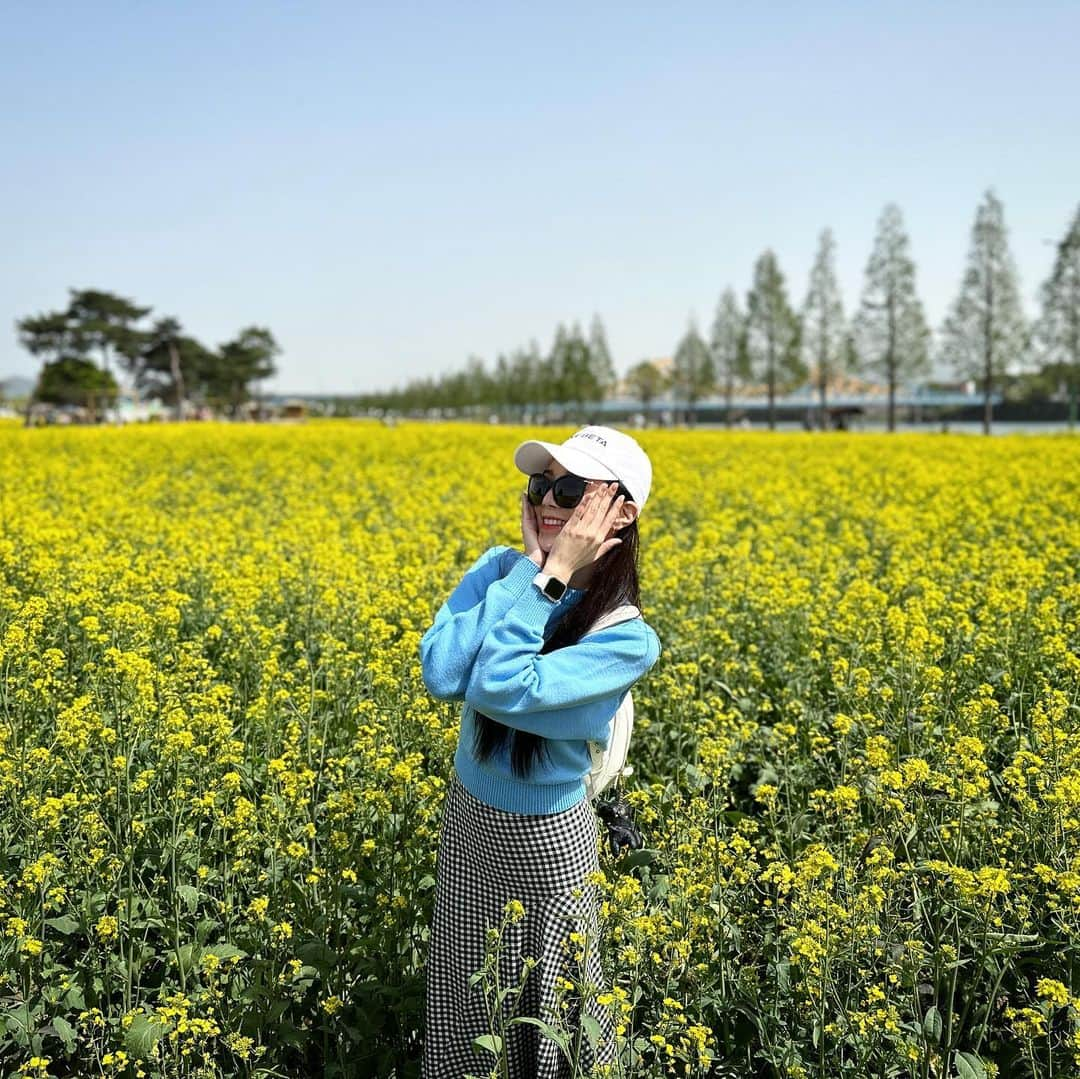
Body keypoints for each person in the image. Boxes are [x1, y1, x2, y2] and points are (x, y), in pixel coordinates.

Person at [418, 425, 663, 1079]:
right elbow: (442, 673)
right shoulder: (503, 568)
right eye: (541, 482)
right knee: (466, 1006)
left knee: (557, 1021)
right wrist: (532, 570)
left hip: (545, 849)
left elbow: (498, 687)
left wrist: (550, 577)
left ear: (624, 509)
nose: (549, 501)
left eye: (572, 486)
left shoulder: (625, 637)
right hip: (470, 820)